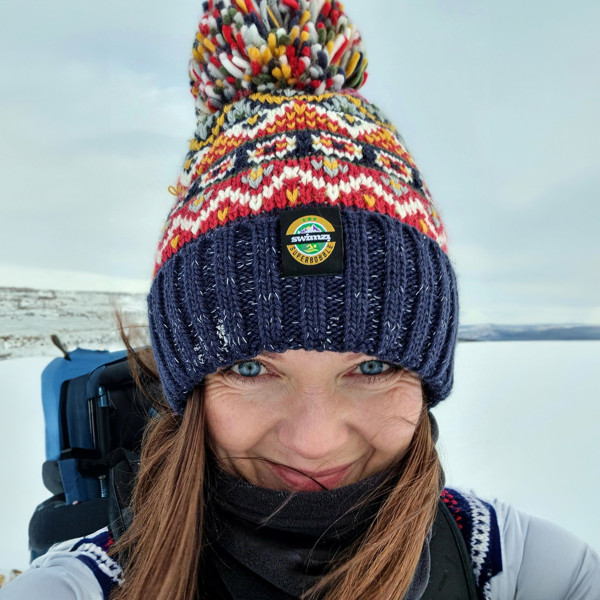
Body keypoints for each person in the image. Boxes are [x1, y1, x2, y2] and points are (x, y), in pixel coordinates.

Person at [2, 1, 599, 599]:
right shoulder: (91, 584)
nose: (314, 442)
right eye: (250, 366)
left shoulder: (507, 566)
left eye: (371, 366)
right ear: (191, 384)